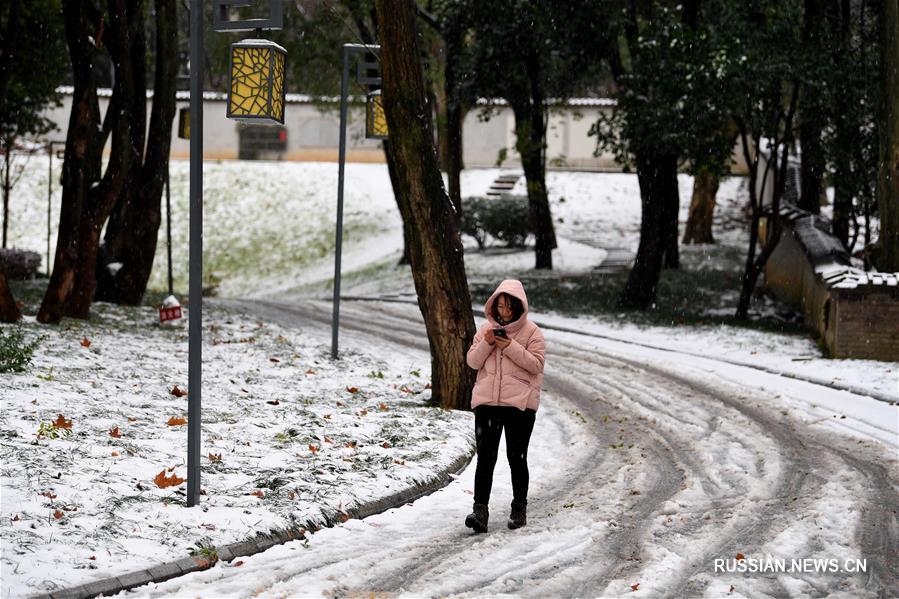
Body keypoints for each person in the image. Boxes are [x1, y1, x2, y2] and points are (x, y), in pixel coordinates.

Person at [464, 279, 545, 533]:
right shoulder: (484, 330)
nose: (505, 311)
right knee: (485, 459)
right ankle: (480, 511)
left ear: (519, 306)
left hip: (519, 406)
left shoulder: (532, 333)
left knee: (516, 457)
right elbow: (473, 362)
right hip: (488, 404)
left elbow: (536, 365)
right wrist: (488, 342)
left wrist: (510, 347)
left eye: (509, 306)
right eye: (500, 306)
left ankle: (519, 507)